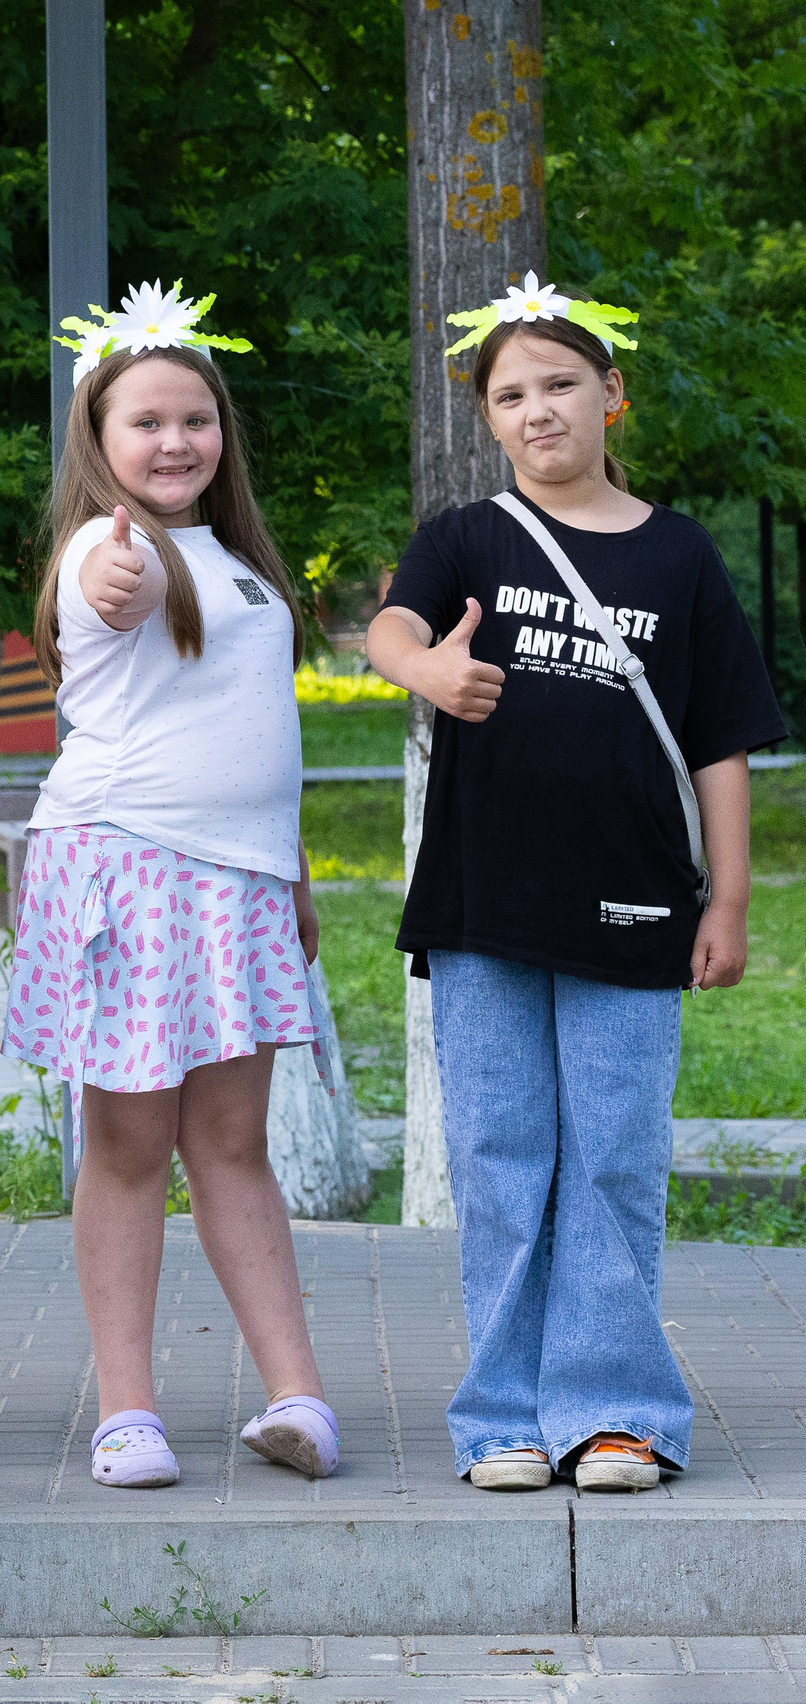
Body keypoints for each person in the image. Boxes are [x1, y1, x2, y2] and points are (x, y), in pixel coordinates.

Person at [367, 277, 786, 1493]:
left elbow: (720, 740)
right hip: (482, 905)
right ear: (488, 419)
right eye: (509, 395)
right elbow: (392, 629)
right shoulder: (465, 538)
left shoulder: (680, 552)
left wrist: (728, 900)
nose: (537, 410)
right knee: (500, 1157)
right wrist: (425, 674)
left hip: (637, 905)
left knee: (610, 1159)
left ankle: (614, 1413)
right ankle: (500, 1417)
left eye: (559, 384)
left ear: (612, 394)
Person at [4, 281, 337, 1490]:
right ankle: (127, 1414)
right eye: (144, 421)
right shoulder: (110, 548)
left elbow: (258, 731)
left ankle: (297, 1397)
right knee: (132, 1142)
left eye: (194, 419)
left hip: (240, 879)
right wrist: (117, 576)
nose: (175, 441)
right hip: (130, 866)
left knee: (233, 1142)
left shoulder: (237, 560)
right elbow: (114, 589)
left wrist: (292, 875)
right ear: (98, 439)